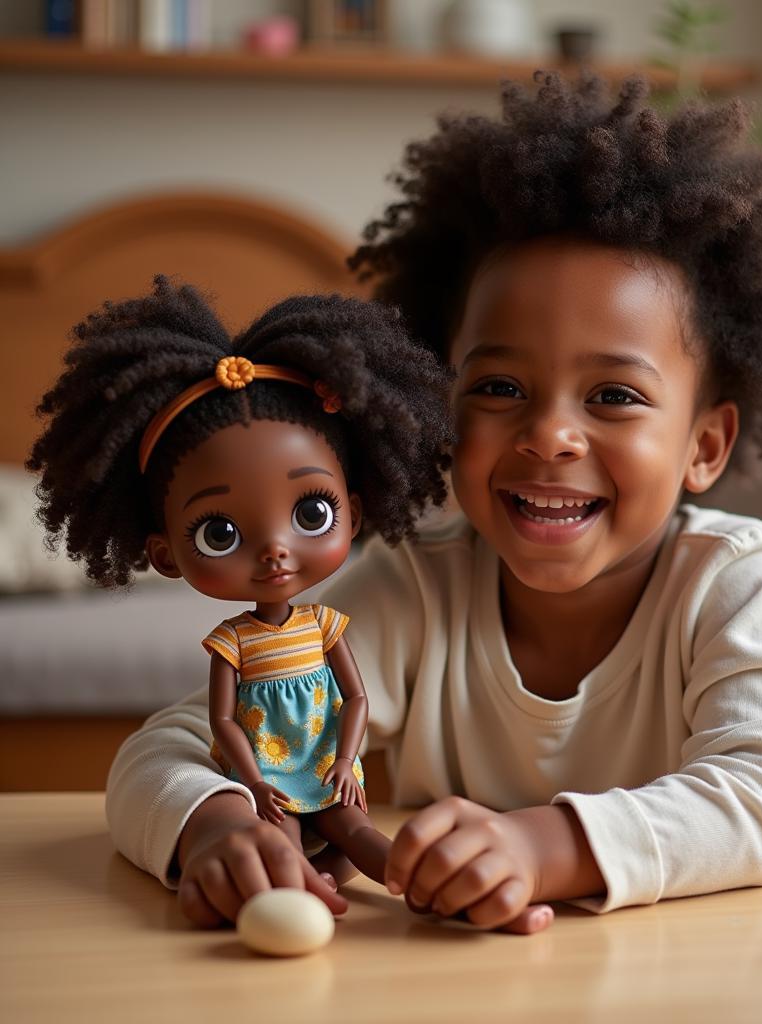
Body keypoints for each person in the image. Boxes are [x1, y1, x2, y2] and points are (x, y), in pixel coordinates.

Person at [104, 73, 762, 935]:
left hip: (722, 977)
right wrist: (217, 826)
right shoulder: (416, 585)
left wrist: (539, 847)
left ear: (704, 446)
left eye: (614, 395)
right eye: (497, 385)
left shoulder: (736, 583)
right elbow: (162, 753)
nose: (550, 436)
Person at [28, 282, 453, 890]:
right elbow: (221, 722)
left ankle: (427, 889)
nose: (276, 548)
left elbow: (355, 699)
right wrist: (250, 785)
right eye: (220, 531)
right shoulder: (232, 643)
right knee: (278, 855)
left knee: (360, 836)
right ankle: (304, 897)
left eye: (311, 512)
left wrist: (344, 760)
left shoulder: (328, 624)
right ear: (165, 555)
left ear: (353, 516)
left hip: (329, 770)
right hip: (265, 785)